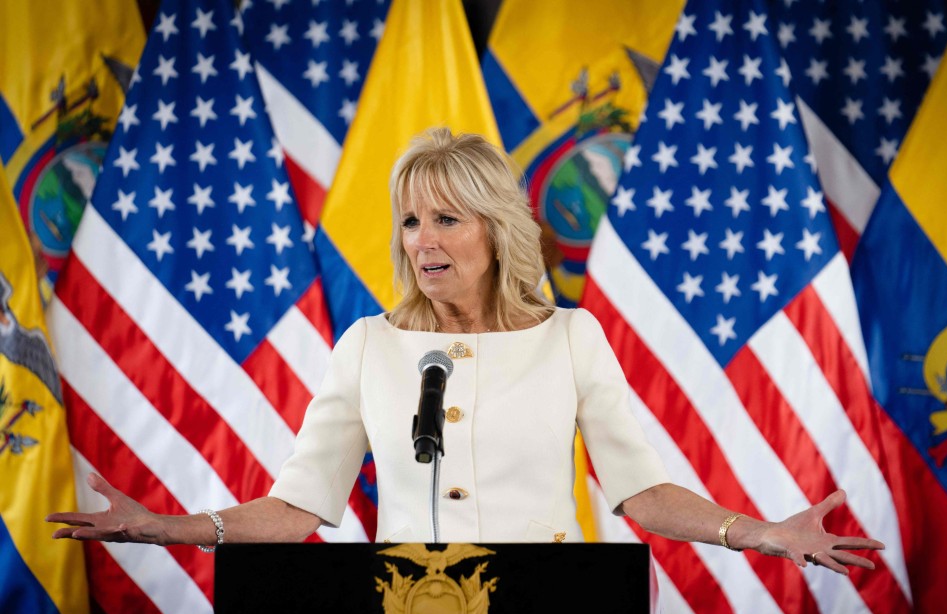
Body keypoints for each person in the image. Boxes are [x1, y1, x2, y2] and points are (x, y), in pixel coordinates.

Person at [47, 127, 883, 574]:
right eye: (411, 221)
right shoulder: (369, 346)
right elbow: (298, 507)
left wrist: (763, 533)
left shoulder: (570, 338)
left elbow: (642, 492)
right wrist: (162, 527)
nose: (423, 240)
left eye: (447, 217)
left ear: (498, 230)